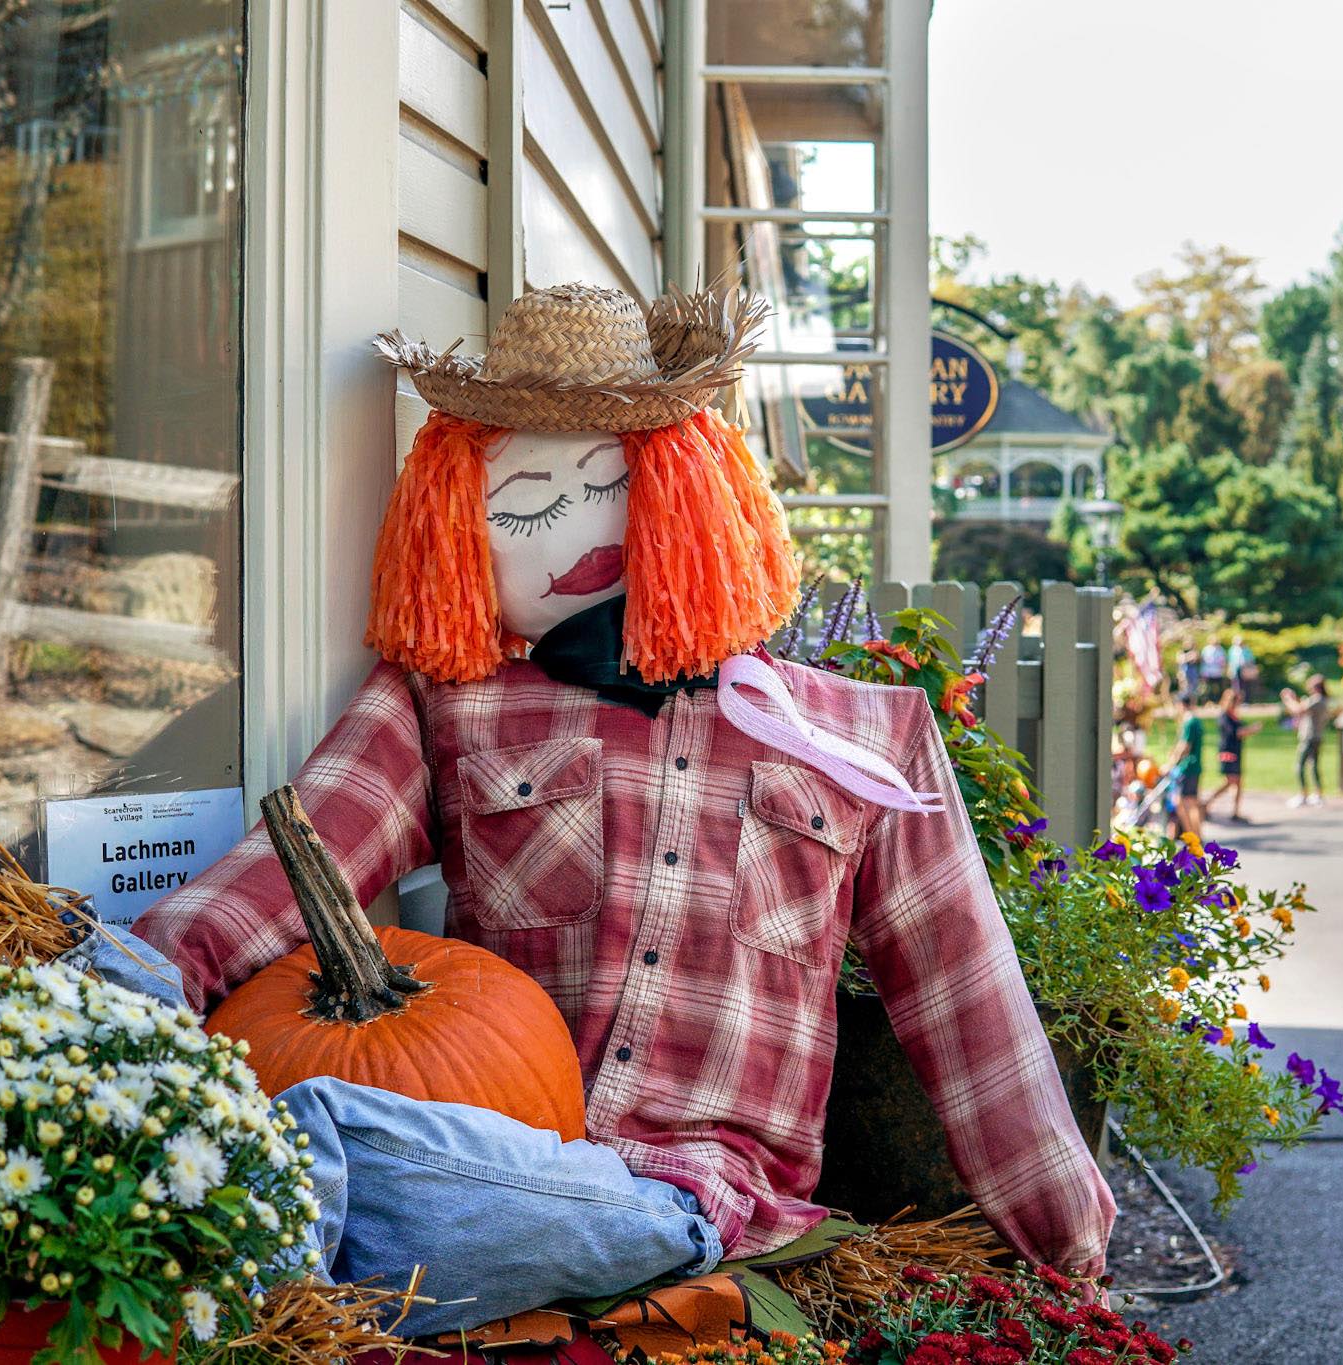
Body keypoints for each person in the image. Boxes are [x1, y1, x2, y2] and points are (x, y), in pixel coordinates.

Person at [133, 285, 1115, 1332]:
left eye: (614, 484)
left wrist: (1073, 1258)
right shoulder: (444, 708)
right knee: (336, 1142)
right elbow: (297, 864)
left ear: (690, 488)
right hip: (492, 1154)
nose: (580, 530)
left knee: (322, 1151)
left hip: (693, 1198)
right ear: (451, 529)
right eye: (523, 501)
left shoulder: (864, 740)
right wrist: (126, 990)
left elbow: (969, 1005)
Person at [1203, 687, 1260, 823]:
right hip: (1228, 752)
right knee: (1230, 782)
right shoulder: (1224, 717)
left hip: (1236, 751)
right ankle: (1206, 803)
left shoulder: (1234, 716)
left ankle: (1235, 812)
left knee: (1238, 782)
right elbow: (1236, 733)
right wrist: (1252, 729)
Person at [1162, 689, 1206, 843]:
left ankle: (1191, 835)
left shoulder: (1189, 721)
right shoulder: (1195, 721)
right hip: (1195, 766)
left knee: (1181, 802)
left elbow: (1184, 746)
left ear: (1181, 704)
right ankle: (1196, 834)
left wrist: (1170, 764)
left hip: (1187, 767)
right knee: (1191, 801)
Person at [1280, 675, 1329, 808]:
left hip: (1310, 737)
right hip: (1316, 737)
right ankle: (1317, 794)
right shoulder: (1320, 700)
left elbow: (1298, 709)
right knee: (1313, 766)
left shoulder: (1316, 699)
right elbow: (1302, 708)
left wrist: (1287, 698)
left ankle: (1304, 794)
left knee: (1300, 766)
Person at [1198, 637, 1228, 703]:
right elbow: (1202, 660)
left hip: (1217, 672)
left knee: (1218, 688)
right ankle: (1206, 701)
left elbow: (1223, 661)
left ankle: (1218, 701)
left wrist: (1223, 669)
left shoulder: (1220, 650)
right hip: (1207, 672)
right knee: (1207, 688)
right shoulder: (1206, 649)